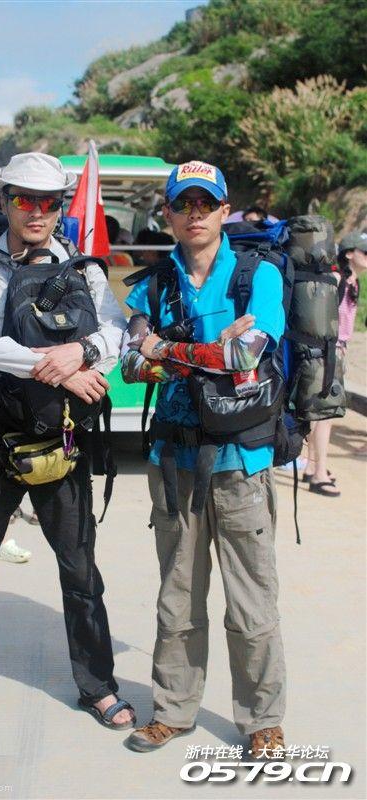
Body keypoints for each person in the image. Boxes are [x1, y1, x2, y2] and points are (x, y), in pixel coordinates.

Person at [0, 152, 135, 729]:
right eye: (25, 199)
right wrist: (60, 369)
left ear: (61, 206)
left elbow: (116, 331)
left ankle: (98, 687)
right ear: (5, 202)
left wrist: (82, 353)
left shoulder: (84, 269)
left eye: (49, 202)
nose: (37, 211)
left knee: (81, 572)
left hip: (63, 441)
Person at [120, 160, 286, 757]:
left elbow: (246, 355)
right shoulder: (152, 286)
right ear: (167, 213)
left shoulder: (258, 276)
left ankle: (262, 720)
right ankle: (172, 711)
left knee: (251, 603)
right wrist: (205, 352)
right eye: (183, 204)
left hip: (242, 461)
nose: (195, 214)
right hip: (174, 461)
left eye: (206, 203)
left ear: (224, 210)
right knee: (178, 598)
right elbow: (130, 365)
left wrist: (165, 349)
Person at [304, 230, 367, 482]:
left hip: (337, 350)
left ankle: (312, 466)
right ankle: (318, 471)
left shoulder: (354, 282)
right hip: (328, 352)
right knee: (326, 413)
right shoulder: (338, 279)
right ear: (349, 254)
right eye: (365, 252)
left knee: (324, 412)